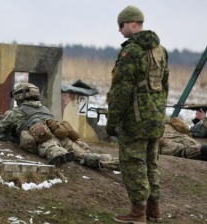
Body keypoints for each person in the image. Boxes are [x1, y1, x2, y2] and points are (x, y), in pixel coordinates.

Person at [105, 5, 169, 223]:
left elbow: (121, 90)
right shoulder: (160, 51)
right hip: (155, 120)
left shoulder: (130, 52)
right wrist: (160, 114)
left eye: (121, 25)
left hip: (135, 120)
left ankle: (138, 213)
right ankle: (154, 211)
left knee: (133, 165)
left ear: (133, 23)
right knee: (151, 164)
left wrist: (112, 121)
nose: (119, 30)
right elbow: (165, 87)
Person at [0, 83, 119, 170]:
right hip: (61, 135)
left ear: (20, 97)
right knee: (83, 155)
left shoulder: (17, 112)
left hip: (44, 137)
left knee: (50, 148)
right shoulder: (44, 108)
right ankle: (110, 161)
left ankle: (60, 155)